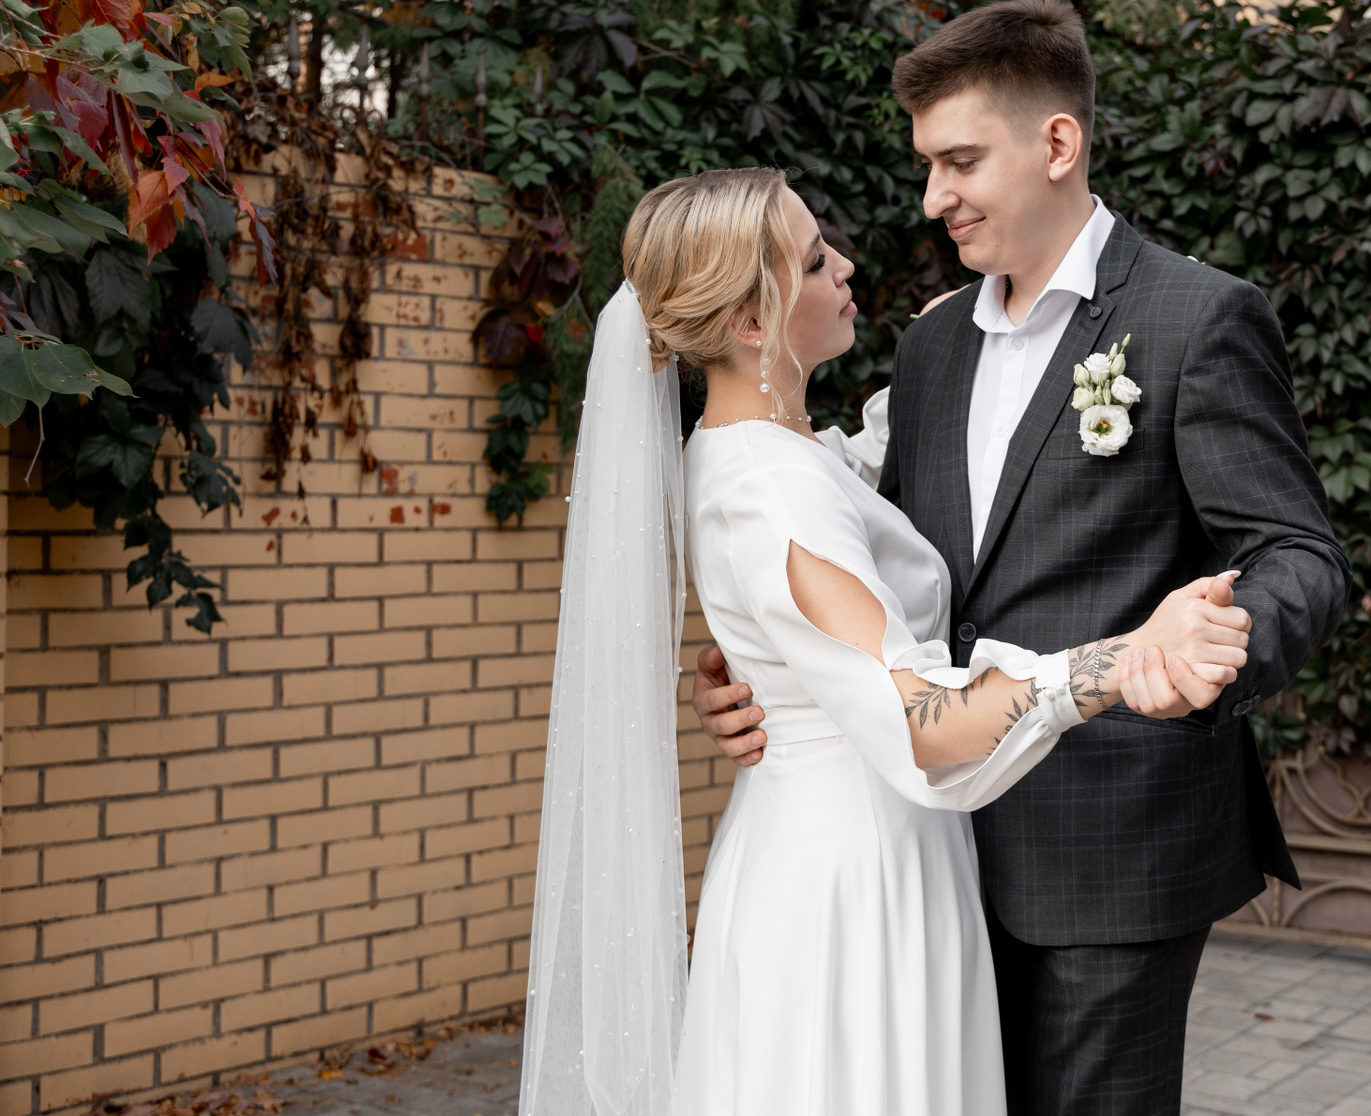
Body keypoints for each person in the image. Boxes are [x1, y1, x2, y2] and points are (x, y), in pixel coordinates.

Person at [692, 0, 1352, 1115]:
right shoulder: (933, 344)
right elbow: (877, 561)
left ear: (1057, 144)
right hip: (928, 848)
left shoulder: (1197, 318)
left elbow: (1299, 554)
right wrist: (762, 670)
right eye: (927, 165)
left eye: (959, 162)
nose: (932, 197)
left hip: (1113, 845)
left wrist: (1202, 651)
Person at [516, 164, 1258, 1116]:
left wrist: (955, 354)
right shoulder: (773, 493)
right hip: (854, 874)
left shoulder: (762, 452)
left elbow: (858, 490)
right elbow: (916, 720)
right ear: (750, 322)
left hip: (842, 839)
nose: (846, 264)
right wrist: (1123, 659)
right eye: (814, 260)